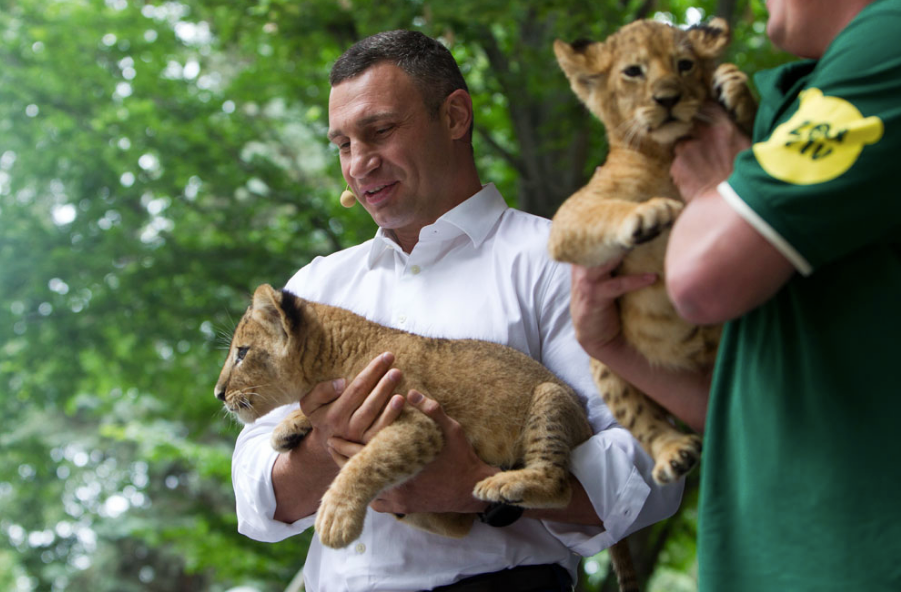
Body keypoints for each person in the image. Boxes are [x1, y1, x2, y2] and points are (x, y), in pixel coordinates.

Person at [230, 30, 682, 592]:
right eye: (343, 144)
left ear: (455, 116)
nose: (360, 164)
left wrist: (475, 485)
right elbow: (253, 493)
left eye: (380, 131)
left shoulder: (559, 262)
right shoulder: (316, 286)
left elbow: (649, 471)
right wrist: (324, 449)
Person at [570, 0, 901, 590]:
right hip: (786, 547)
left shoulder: (889, 38)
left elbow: (702, 278)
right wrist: (609, 345)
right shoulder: (805, 95)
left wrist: (716, 186)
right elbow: (747, 399)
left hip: (857, 552)